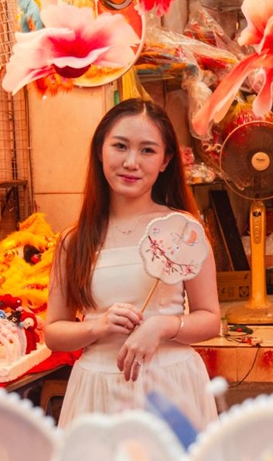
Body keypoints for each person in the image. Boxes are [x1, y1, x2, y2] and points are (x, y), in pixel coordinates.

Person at [45, 98, 221, 429]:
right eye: (120, 146)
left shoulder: (183, 231)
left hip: (170, 387)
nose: (131, 162)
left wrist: (163, 326)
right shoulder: (74, 241)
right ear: (100, 151)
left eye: (147, 150)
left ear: (166, 160)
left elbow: (210, 319)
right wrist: (96, 327)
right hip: (98, 392)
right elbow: (54, 332)